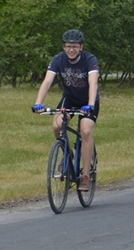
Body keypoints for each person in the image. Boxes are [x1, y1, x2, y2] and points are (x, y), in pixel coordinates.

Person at [32, 29, 99, 191]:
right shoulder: (58, 59)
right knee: (57, 125)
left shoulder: (89, 59)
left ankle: (85, 176)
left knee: (86, 131)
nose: (71, 50)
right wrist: (38, 103)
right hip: (69, 99)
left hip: (88, 101)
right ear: (63, 47)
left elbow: (93, 83)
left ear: (81, 47)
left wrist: (90, 105)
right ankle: (68, 153)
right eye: (68, 46)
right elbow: (47, 81)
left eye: (75, 47)